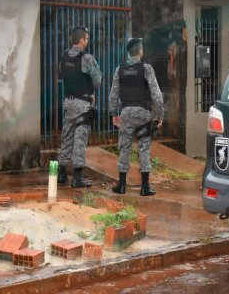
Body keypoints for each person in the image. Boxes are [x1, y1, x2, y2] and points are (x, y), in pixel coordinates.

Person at [109, 37, 164, 196]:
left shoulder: (120, 70)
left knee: (124, 147)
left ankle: (121, 185)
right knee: (144, 148)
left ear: (128, 52)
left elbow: (113, 95)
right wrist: (159, 114)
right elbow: (156, 94)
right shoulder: (147, 69)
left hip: (126, 112)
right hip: (143, 113)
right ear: (140, 51)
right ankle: (145, 187)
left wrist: (114, 114)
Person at [58, 26, 101, 188]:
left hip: (68, 102)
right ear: (81, 40)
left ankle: (62, 175)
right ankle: (77, 178)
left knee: (66, 137)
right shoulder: (87, 58)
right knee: (80, 140)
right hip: (83, 104)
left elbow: (61, 73)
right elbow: (98, 80)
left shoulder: (64, 56)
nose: (87, 41)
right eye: (87, 39)